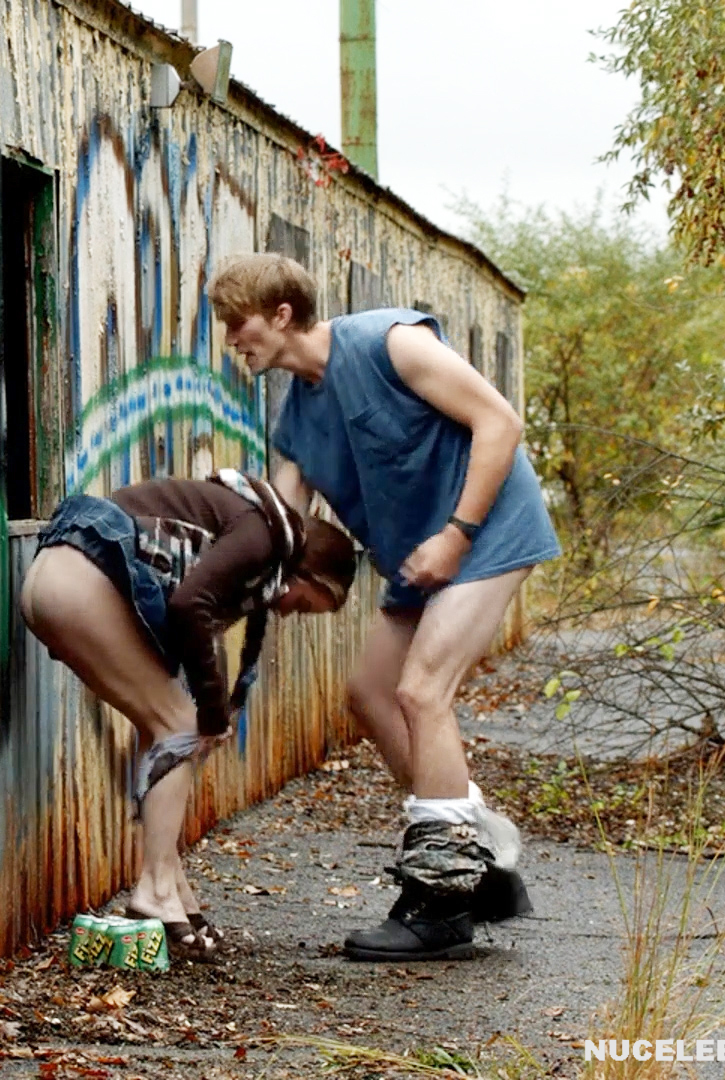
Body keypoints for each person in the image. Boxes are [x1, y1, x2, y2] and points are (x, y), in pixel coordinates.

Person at [209, 253, 561, 961]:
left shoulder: (389, 342)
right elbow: (283, 527)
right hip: (416, 558)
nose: (231, 340)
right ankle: (479, 856)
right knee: (370, 694)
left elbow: (500, 422)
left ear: (282, 314)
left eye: (237, 322)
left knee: (422, 691)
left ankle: (442, 902)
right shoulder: (297, 417)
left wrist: (456, 536)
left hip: (484, 532)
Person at [19, 469, 359, 962]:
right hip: (79, 580)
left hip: (56, 579)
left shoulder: (249, 529)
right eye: (304, 604)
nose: (289, 613)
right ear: (305, 574)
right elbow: (188, 605)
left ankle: (174, 890)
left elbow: (188, 614)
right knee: (178, 725)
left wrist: (211, 709)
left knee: (162, 729)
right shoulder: (263, 536)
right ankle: (156, 890)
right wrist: (214, 711)